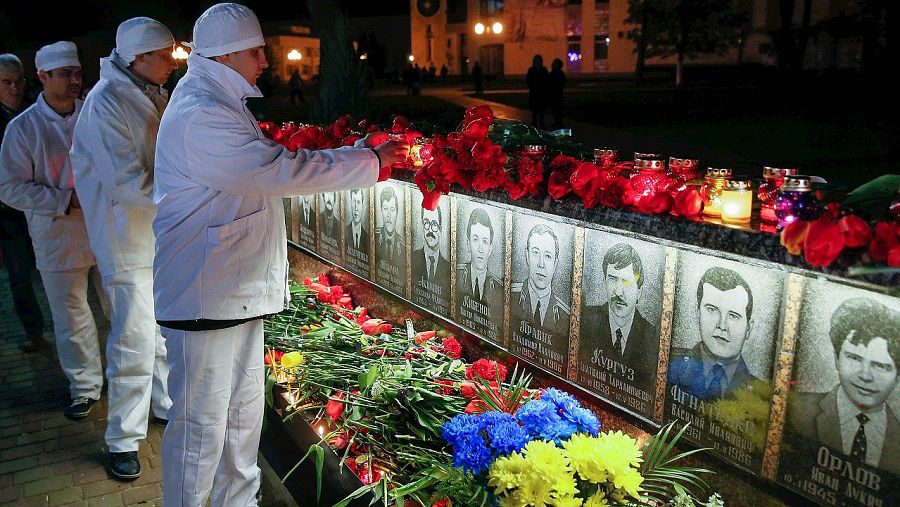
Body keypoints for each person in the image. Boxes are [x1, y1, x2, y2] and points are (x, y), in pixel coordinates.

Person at [152, 4, 409, 505]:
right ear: (227, 54)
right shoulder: (202, 112)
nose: (266, 60)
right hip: (207, 292)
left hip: (232, 290)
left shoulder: (216, 100)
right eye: (256, 50)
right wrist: (369, 162)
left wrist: (355, 152)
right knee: (201, 433)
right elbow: (276, 170)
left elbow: (267, 166)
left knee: (243, 418)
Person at [69, 17, 177, 480]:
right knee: (133, 338)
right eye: (165, 55)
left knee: (159, 329)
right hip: (124, 237)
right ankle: (122, 440)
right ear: (139, 58)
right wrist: (189, 190)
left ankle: (164, 405)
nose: (173, 63)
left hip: (154, 233)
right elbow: (126, 183)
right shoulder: (104, 102)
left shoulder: (151, 91)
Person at [0, 42, 105, 420]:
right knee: (71, 314)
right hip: (57, 236)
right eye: (65, 74)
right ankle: (85, 386)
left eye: (77, 73)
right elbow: (9, 187)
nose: (74, 81)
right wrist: (63, 200)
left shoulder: (94, 115)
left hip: (106, 231)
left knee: (124, 310)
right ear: (43, 77)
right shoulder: (22, 128)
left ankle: (137, 380)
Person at [789, 298, 900, 474]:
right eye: (854, 358)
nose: (865, 376)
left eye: (880, 366)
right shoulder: (795, 409)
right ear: (836, 358)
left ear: (897, 377)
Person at [0, 53, 47, 353]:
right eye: (6, 83)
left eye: (18, 82)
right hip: (8, 214)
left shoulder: (36, 109)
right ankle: (35, 331)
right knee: (19, 276)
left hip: (43, 203)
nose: (14, 88)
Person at [667, 266, 761, 400]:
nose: (722, 326)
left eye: (733, 316)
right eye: (712, 309)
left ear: (748, 328)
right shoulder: (669, 365)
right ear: (697, 313)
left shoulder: (761, 395)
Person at [579, 243, 658, 394]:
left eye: (627, 282)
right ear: (604, 282)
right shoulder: (584, 320)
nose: (618, 291)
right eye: (613, 279)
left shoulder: (652, 337)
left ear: (639, 291)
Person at [510, 224, 570, 337]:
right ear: (527, 256)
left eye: (548, 256)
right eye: (535, 253)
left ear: (555, 263)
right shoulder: (509, 295)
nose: (541, 264)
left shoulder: (565, 316)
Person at [457, 208, 502, 313]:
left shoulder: (499, 288)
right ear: (468, 244)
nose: (480, 249)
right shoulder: (456, 275)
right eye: (475, 240)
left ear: (490, 248)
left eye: (485, 241)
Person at [411, 206, 449, 282]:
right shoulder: (412, 258)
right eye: (427, 223)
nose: (430, 230)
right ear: (422, 226)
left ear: (440, 230)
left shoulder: (448, 267)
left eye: (434, 224)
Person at [375, 185, 404, 266]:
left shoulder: (403, 246)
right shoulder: (373, 237)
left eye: (392, 209)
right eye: (385, 208)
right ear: (381, 210)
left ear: (397, 212)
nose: (389, 215)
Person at [526, 55, 549, 129]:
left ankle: (541, 122)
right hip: (534, 92)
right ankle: (535, 122)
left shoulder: (543, 69)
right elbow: (528, 80)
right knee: (535, 110)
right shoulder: (531, 70)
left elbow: (546, 80)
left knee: (541, 109)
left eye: (538, 61)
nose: (537, 62)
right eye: (536, 61)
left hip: (542, 92)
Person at [345, 188, 368, 252]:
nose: (356, 208)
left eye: (358, 202)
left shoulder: (367, 237)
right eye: (353, 201)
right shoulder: (344, 232)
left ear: (363, 205)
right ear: (350, 203)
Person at [548, 58, 565, 129]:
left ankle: (559, 122)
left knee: (558, 108)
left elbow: (562, 83)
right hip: (553, 93)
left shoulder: (560, 73)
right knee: (554, 109)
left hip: (557, 93)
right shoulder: (552, 73)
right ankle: (556, 121)